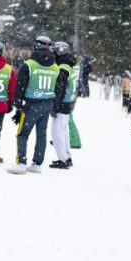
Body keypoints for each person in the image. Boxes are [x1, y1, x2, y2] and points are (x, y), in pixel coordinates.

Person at [7, 36, 58, 175]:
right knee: (41, 134)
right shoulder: (55, 66)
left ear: (36, 46)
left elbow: (20, 86)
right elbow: (58, 88)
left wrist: (18, 105)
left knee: (22, 134)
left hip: (31, 105)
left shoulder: (29, 64)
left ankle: (21, 163)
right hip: (47, 103)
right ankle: (37, 164)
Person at [49, 41, 79, 169]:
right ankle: (66, 156)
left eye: (55, 51)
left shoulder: (63, 67)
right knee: (64, 130)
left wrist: (55, 106)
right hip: (69, 101)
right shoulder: (71, 64)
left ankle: (63, 159)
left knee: (57, 132)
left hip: (63, 102)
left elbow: (60, 88)